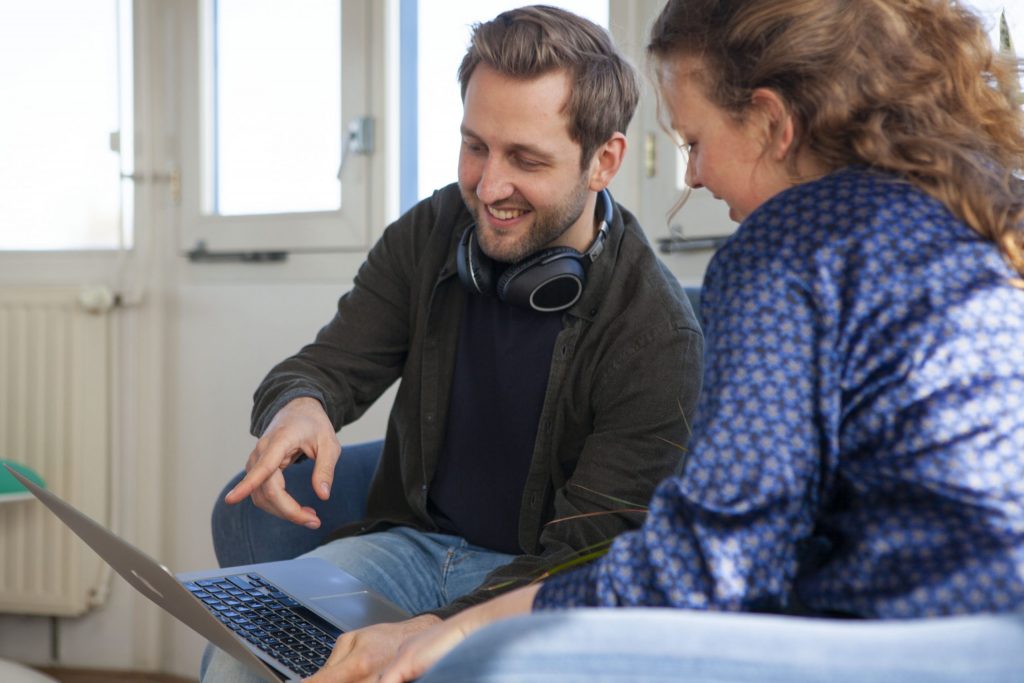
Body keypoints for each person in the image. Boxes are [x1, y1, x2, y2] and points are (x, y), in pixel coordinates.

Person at [374, 1, 1024, 681]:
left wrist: (466, 628)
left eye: (694, 142)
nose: (692, 176)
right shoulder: (978, 209)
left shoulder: (791, 245)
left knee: (485, 661)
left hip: (896, 651)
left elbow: (711, 563)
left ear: (772, 123)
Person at [201, 5, 704, 682]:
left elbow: (590, 553)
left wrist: (430, 631)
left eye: (525, 158)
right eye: (476, 146)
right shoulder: (433, 230)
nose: (487, 186)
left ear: (604, 160)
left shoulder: (657, 333)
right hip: (406, 548)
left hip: (532, 581)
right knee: (244, 651)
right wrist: (300, 404)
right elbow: (327, 365)